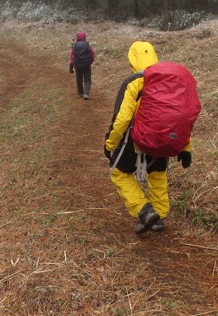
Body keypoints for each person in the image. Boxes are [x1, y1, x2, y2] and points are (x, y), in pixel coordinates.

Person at [104, 41, 193, 234]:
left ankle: (145, 211)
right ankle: (159, 216)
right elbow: (182, 118)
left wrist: (109, 143)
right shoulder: (169, 82)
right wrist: (185, 148)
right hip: (164, 139)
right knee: (157, 174)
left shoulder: (134, 81)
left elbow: (122, 118)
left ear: (132, 59)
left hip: (136, 140)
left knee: (118, 172)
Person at [69, 31, 95, 100]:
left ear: (77, 37)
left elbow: (72, 57)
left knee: (79, 79)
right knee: (87, 80)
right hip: (87, 66)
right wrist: (91, 61)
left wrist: (71, 66)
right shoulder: (88, 45)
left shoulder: (75, 46)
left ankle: (80, 93)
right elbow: (92, 54)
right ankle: (86, 93)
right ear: (84, 37)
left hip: (78, 66)